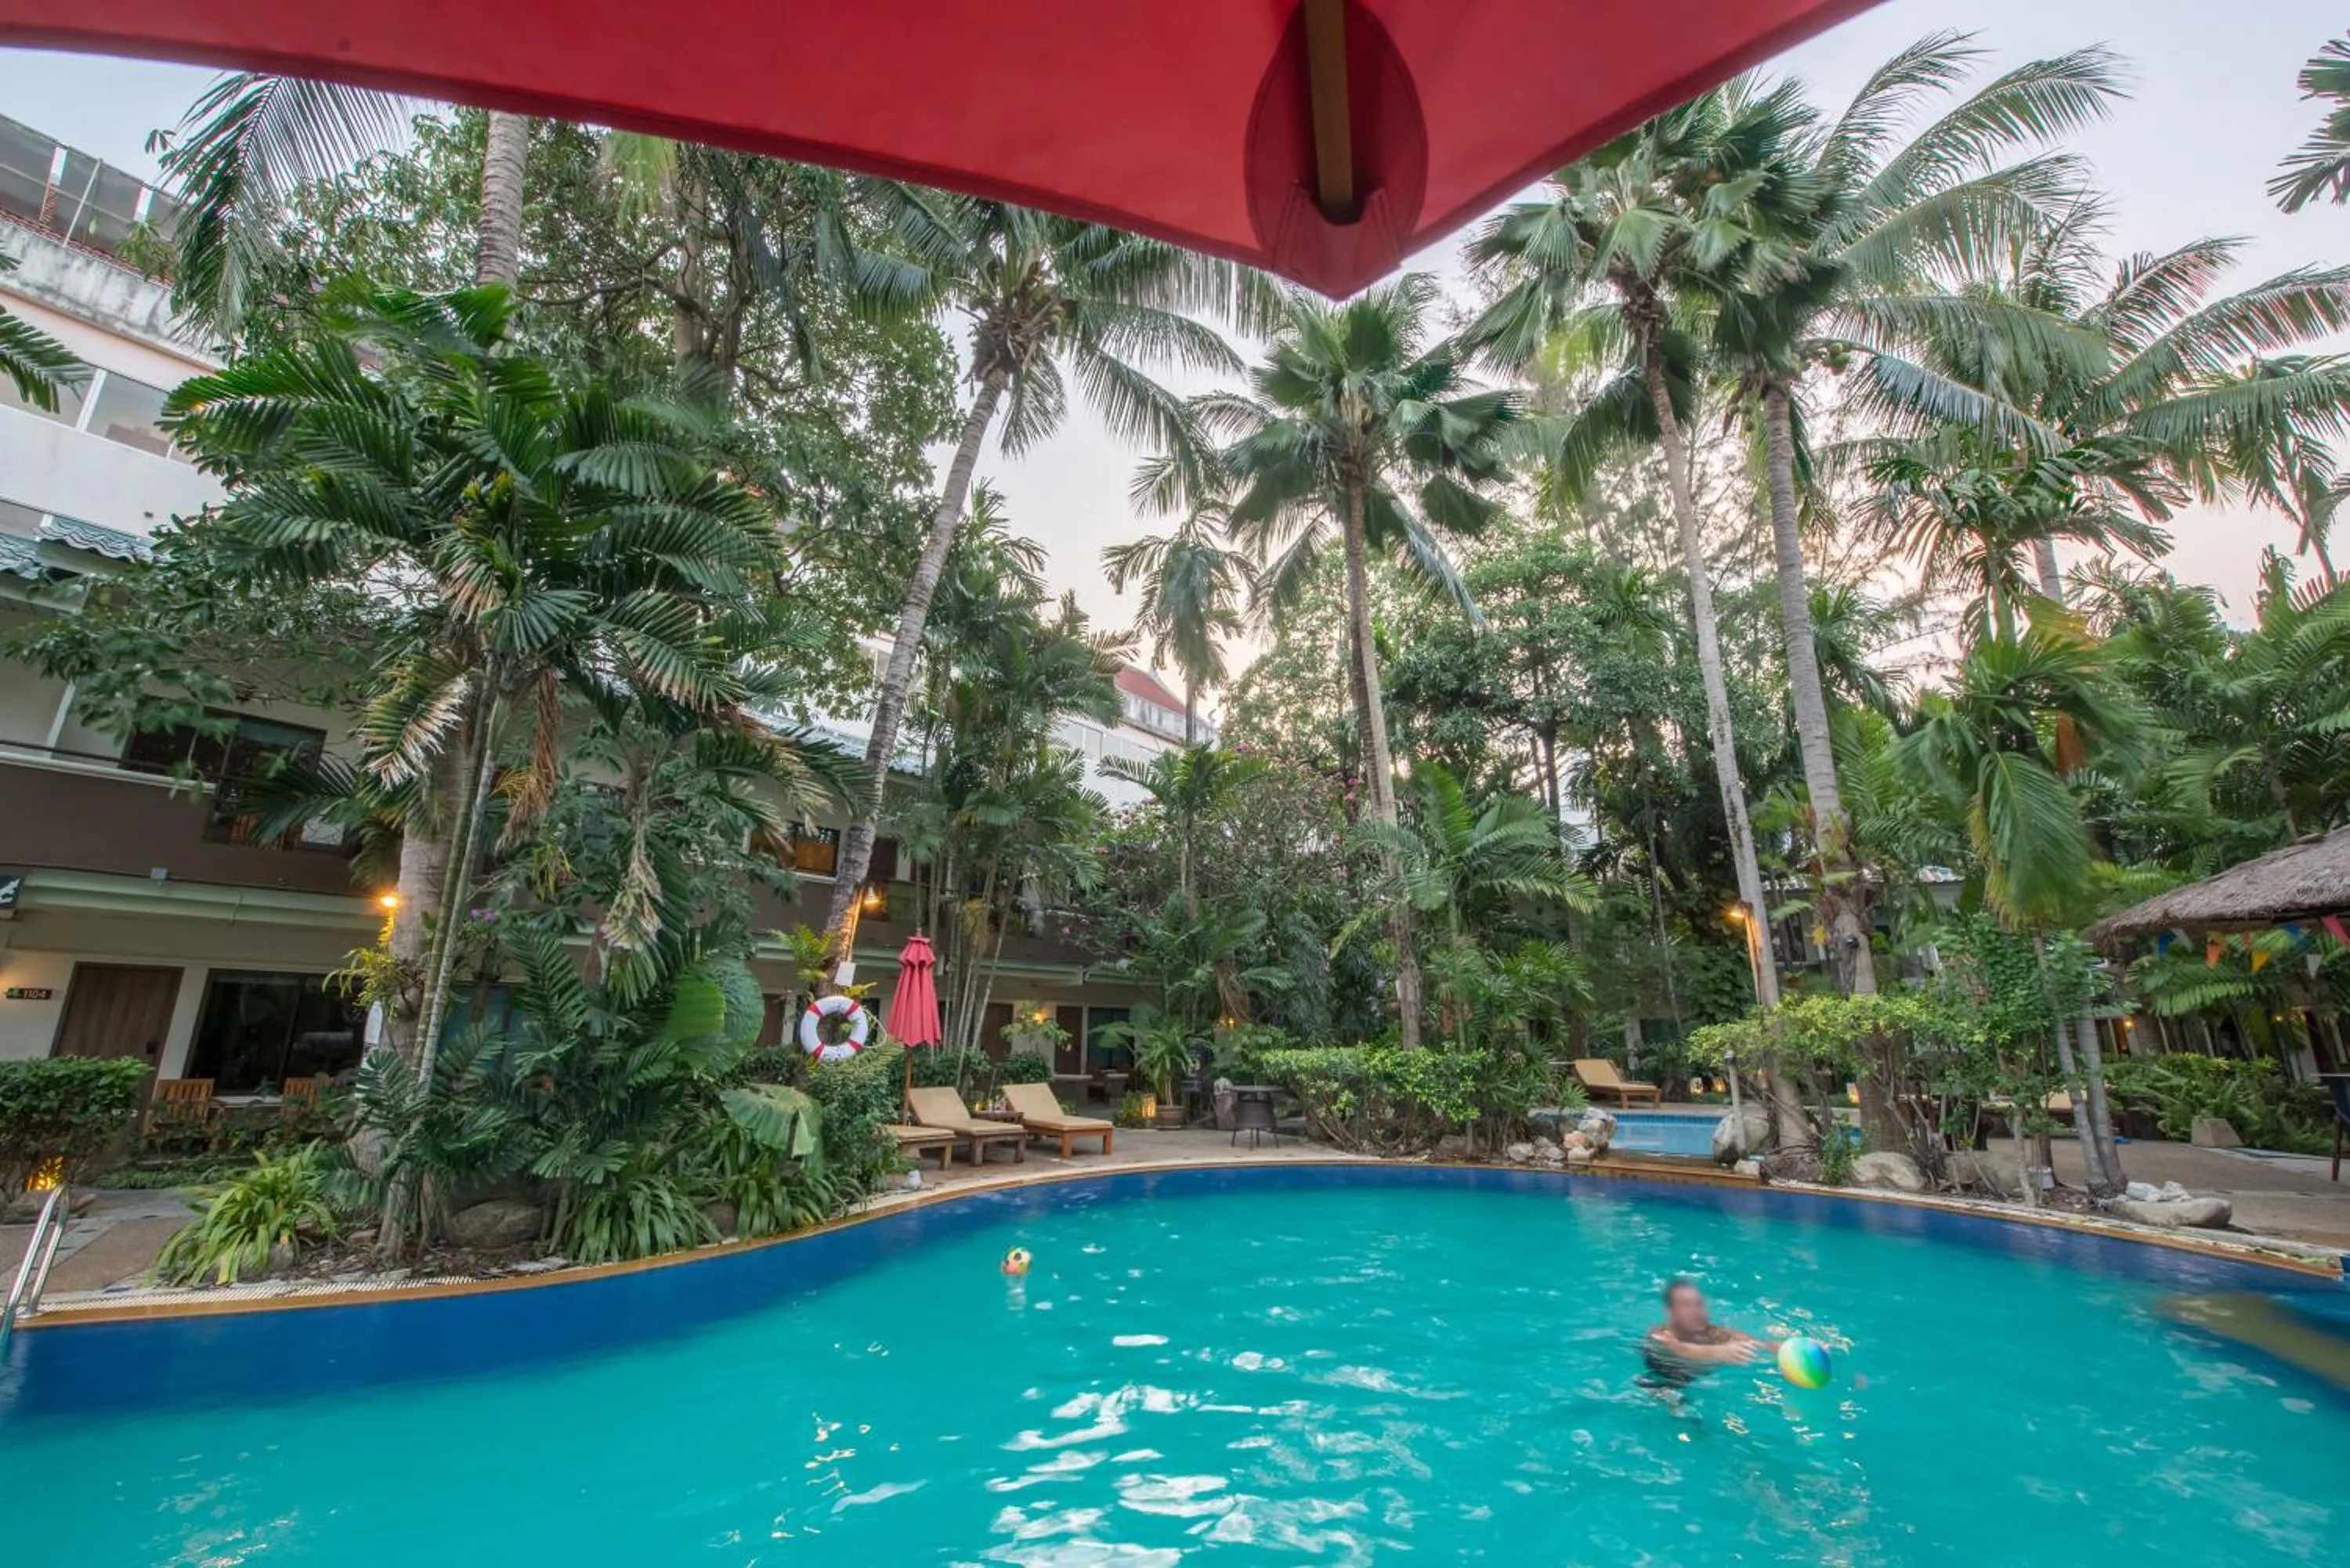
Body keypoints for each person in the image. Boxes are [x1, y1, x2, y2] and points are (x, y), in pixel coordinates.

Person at [1640, 1277, 1769, 1389]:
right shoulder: (1660, 1335)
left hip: (1698, 1376)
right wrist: (1719, 1352)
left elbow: (1760, 1345)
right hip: (1662, 1377)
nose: (1695, 1311)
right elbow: (1681, 1349)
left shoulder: (1716, 1334)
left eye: (1699, 1304)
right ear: (1671, 1311)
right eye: (1685, 1305)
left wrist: (1782, 1348)